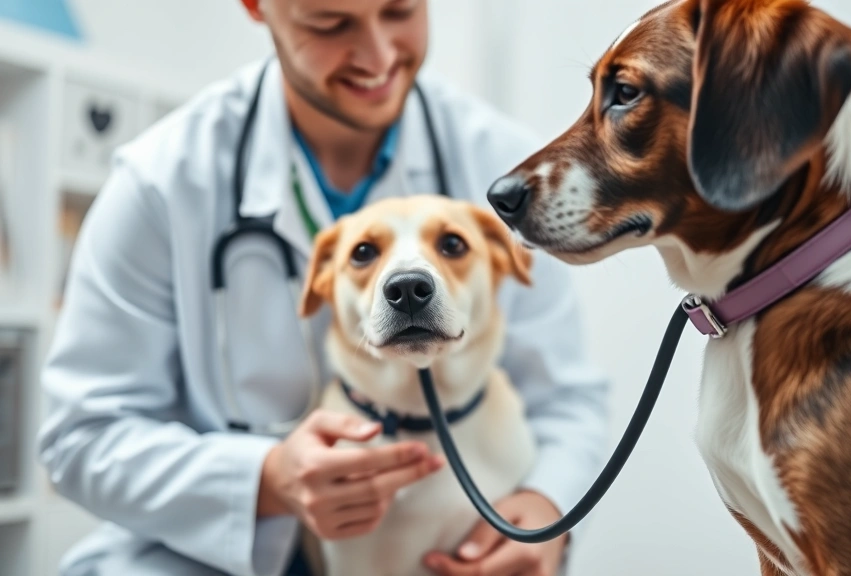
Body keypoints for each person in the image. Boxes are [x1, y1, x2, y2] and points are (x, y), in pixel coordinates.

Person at [35, 0, 610, 575]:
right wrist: (263, 480)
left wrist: (548, 506)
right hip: (199, 559)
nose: (378, 57)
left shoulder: (505, 164)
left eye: (400, 11)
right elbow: (81, 439)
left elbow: (566, 399)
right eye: (331, 23)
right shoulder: (160, 183)